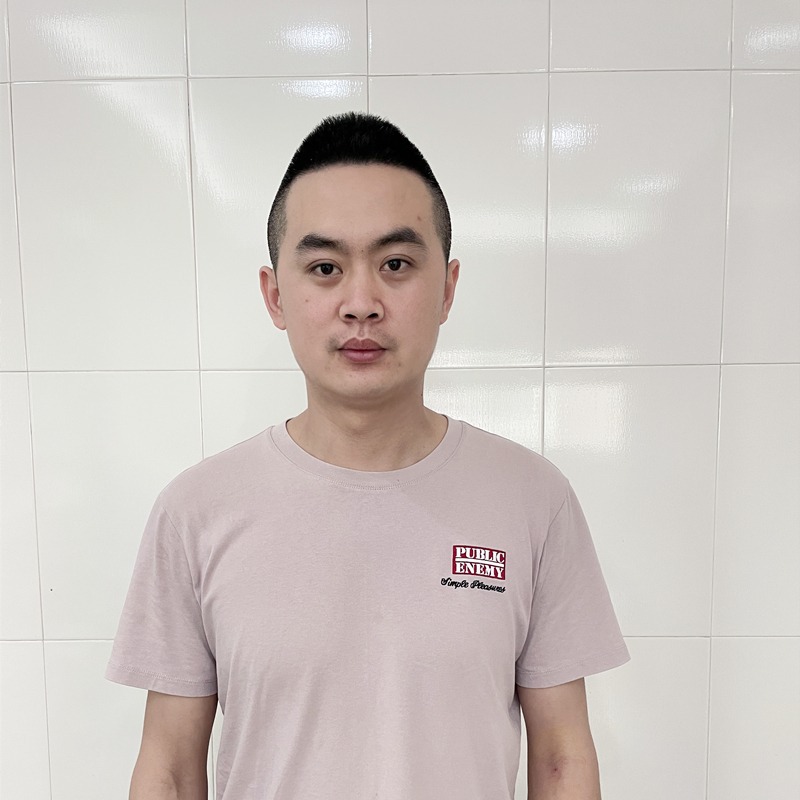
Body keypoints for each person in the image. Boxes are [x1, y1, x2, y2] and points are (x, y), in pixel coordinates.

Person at [106, 111, 630, 799]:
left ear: (447, 289)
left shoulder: (533, 500)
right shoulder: (196, 511)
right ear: (276, 296)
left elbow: (562, 757)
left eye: (396, 265)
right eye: (325, 268)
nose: (361, 303)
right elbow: (170, 769)